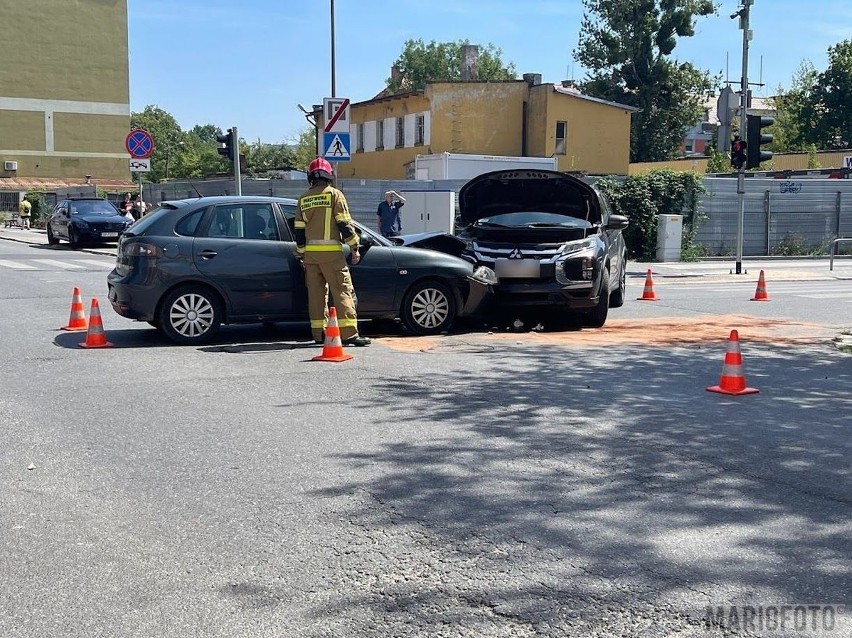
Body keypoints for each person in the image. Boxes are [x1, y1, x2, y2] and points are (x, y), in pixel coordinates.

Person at [295, 157, 371, 347]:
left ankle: (319, 334)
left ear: (310, 177)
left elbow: (299, 231)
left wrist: (302, 253)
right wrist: (355, 247)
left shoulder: (303, 199)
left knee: (316, 295)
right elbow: (344, 224)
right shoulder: (334, 195)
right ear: (329, 175)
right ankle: (349, 335)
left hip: (311, 257)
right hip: (332, 256)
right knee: (342, 290)